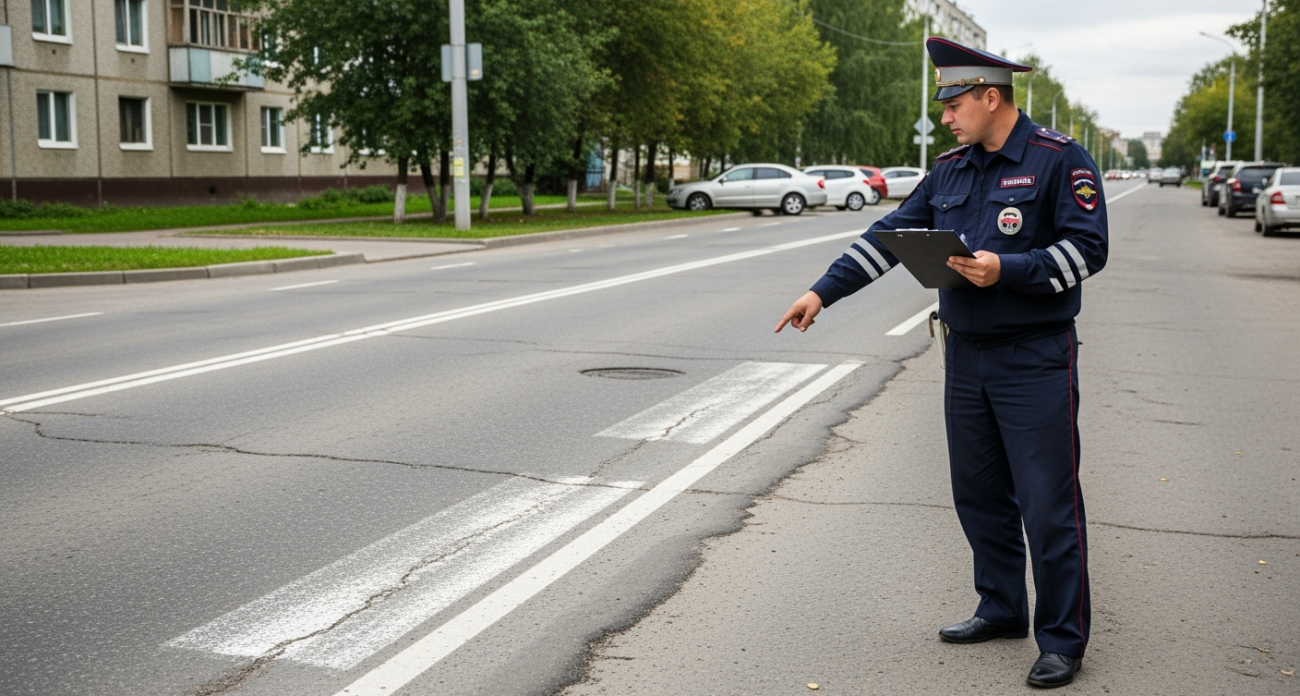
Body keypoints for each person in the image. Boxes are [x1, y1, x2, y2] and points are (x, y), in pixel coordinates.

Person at [775, 37, 1108, 689]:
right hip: (966, 358)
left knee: (1048, 503)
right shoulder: (952, 169)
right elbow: (890, 238)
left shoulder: (1057, 160)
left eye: (954, 104)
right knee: (978, 495)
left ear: (990, 97)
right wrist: (822, 291)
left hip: (1035, 358)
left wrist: (1005, 269)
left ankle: (1062, 639)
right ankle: (1003, 606)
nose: (946, 117)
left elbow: (1088, 251)